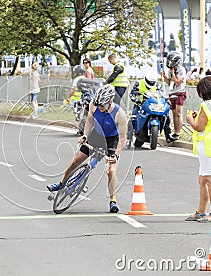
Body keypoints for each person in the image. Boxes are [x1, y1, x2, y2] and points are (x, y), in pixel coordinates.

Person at [47, 84, 127, 213]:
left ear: (110, 101)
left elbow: (123, 138)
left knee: (111, 171)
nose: (99, 108)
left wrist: (116, 155)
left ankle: (113, 200)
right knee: (76, 161)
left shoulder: (119, 114)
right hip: (96, 135)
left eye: (102, 106)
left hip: (111, 140)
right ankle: (61, 184)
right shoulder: (93, 105)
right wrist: (85, 135)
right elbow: (89, 120)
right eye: (98, 105)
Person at [185, 76, 211, 223]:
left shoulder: (207, 105)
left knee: (210, 179)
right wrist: (199, 117)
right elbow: (210, 121)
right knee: (203, 179)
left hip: (208, 145)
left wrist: (191, 120)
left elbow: (199, 127)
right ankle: (201, 211)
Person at [126, 70, 173, 148]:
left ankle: (168, 135)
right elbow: (132, 94)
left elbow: (161, 94)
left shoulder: (157, 85)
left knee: (167, 117)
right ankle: (128, 139)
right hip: (140, 105)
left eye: (152, 82)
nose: (151, 84)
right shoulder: (139, 83)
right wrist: (135, 99)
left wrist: (167, 100)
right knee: (132, 118)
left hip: (153, 105)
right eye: (149, 82)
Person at [161, 51, 187, 141]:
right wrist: (164, 76)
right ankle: (175, 131)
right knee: (174, 113)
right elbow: (170, 83)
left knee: (179, 113)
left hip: (180, 92)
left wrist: (172, 73)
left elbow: (177, 82)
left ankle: (178, 132)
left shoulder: (181, 70)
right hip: (172, 93)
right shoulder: (170, 70)